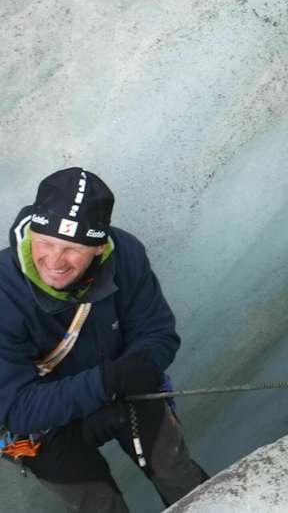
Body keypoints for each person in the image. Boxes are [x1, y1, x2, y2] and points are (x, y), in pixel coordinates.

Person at [0, 168, 206, 512]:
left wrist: (139, 366)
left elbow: (157, 332)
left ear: (98, 248)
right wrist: (108, 380)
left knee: (179, 475)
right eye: (45, 242)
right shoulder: (4, 293)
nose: (55, 261)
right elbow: (16, 409)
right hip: (40, 429)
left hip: (121, 390)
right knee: (101, 507)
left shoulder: (124, 254)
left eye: (72, 249)